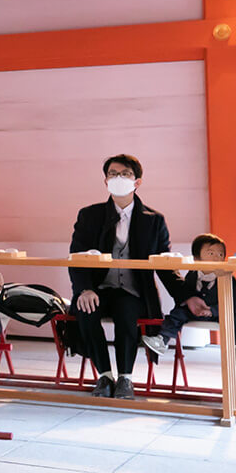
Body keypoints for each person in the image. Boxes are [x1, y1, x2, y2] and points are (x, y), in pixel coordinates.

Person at [69, 154, 184, 400]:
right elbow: (76, 257)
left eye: (125, 174)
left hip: (133, 289)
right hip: (98, 287)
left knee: (127, 314)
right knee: (86, 310)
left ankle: (126, 378)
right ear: (105, 181)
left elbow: (165, 265)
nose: (118, 178)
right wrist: (84, 289)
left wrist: (187, 297)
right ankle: (104, 375)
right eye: (113, 174)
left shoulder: (154, 220)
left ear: (137, 182)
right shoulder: (90, 215)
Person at [142, 234, 236, 367]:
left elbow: (234, 302)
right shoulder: (192, 274)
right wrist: (187, 304)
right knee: (177, 313)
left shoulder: (227, 277)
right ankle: (162, 340)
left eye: (221, 254)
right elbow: (185, 294)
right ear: (196, 257)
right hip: (193, 312)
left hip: (219, 313)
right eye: (211, 253)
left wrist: (213, 311)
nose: (217, 257)